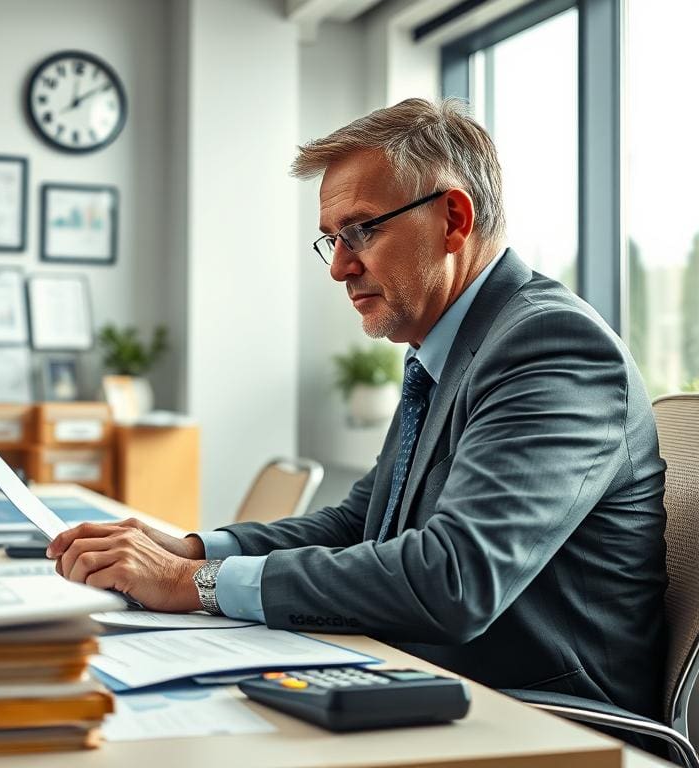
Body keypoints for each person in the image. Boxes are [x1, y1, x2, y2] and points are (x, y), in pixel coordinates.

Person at [47, 98, 667, 725]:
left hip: (535, 717)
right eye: (332, 240)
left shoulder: (551, 347)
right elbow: (358, 522)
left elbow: (455, 578)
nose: (341, 266)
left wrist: (195, 583)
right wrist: (187, 549)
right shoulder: (450, 347)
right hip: (428, 680)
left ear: (453, 219)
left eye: (362, 230)